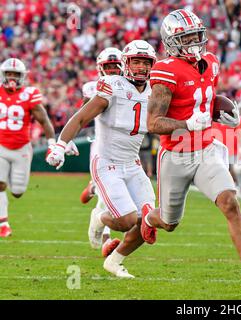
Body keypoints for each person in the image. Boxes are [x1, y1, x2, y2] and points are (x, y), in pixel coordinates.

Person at [141, 9, 241, 292]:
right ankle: (150, 216)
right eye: (186, 38)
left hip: (207, 149)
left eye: (196, 36)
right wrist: (186, 123)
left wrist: (225, 109)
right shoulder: (165, 70)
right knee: (169, 222)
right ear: (171, 42)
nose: (194, 43)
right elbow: (153, 123)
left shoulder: (210, 62)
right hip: (175, 154)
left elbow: (204, 100)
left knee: (230, 203)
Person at [46, 40, 157, 278]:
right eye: (136, 62)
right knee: (127, 220)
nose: (140, 68)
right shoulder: (112, 86)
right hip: (107, 162)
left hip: (133, 163)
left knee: (149, 219)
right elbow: (80, 118)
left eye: (145, 63)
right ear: (126, 63)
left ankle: (115, 261)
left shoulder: (156, 90)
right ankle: (98, 217)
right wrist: (60, 145)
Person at [0, 58, 64, 237]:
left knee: (18, 191)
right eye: (9, 74)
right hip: (0, 146)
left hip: (21, 148)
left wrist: (52, 145)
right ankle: (3, 224)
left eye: (15, 74)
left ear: (22, 76)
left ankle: (11, 180)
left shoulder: (29, 94)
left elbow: (44, 120)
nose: (12, 77)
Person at [78, 47, 123, 254]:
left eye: (116, 66)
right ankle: (106, 240)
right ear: (100, 69)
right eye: (109, 67)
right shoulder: (93, 88)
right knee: (108, 199)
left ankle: (93, 188)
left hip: (126, 149)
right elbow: (82, 115)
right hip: (102, 147)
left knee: (117, 196)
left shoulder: (132, 87)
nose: (113, 70)